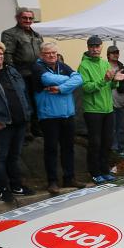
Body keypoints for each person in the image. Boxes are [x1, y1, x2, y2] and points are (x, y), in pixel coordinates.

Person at [31, 42, 85, 194]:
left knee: (68, 148)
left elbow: (80, 79)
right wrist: (69, 81)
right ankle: (52, 181)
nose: (52, 55)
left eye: (54, 52)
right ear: (41, 55)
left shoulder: (63, 65)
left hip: (67, 114)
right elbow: (47, 80)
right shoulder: (37, 67)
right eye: (48, 53)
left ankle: (69, 177)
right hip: (49, 116)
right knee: (51, 149)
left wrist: (61, 88)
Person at [0, 41, 34, 202]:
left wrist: (27, 112)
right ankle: (3, 189)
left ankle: (16, 185)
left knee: (14, 156)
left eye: (1, 53)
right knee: (0, 157)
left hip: (19, 120)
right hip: (1, 123)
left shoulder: (11, 70)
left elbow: (23, 92)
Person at [78, 35, 124, 184]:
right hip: (92, 110)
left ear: (101, 48)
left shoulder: (106, 63)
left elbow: (110, 86)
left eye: (97, 46)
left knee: (107, 142)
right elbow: (86, 88)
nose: (95, 49)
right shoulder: (83, 66)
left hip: (107, 109)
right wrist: (104, 80)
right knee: (95, 143)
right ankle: (94, 172)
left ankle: (105, 170)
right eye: (92, 46)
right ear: (88, 48)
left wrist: (115, 81)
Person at [1, 7, 43, 137]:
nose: (28, 20)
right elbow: (7, 55)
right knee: (24, 102)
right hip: (20, 73)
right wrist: (12, 73)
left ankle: (37, 128)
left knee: (37, 100)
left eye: (30, 18)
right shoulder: (9, 33)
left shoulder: (37, 34)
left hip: (36, 73)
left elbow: (42, 53)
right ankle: (26, 131)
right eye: (25, 18)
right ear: (18, 18)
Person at [107, 45, 124, 159]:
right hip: (109, 101)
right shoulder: (104, 66)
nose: (115, 54)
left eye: (117, 52)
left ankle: (121, 148)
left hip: (122, 101)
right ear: (108, 54)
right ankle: (114, 148)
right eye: (113, 52)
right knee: (112, 127)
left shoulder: (123, 67)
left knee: (122, 127)